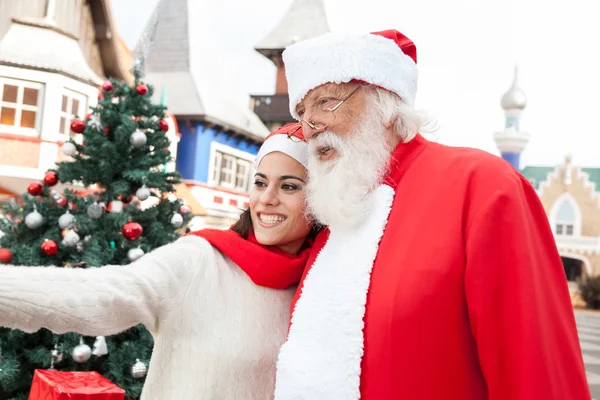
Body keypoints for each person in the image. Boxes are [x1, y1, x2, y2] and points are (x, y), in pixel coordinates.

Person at [273, 30, 591, 399]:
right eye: (301, 110)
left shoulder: (482, 186)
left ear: (386, 103)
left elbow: (536, 370)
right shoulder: (335, 212)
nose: (310, 125)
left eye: (325, 101)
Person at [0, 124, 315, 400]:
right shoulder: (200, 260)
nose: (267, 198)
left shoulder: (321, 287)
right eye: (260, 182)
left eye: (289, 186)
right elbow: (97, 294)